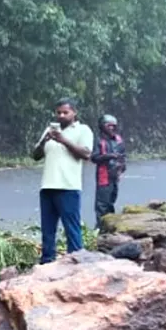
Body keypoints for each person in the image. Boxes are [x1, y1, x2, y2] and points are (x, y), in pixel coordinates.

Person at [31, 99, 94, 263]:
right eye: (58, 112)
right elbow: (36, 156)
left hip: (68, 187)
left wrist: (63, 140)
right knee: (47, 230)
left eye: (65, 112)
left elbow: (86, 154)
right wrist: (45, 140)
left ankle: (76, 261)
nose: (61, 115)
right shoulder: (49, 130)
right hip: (48, 186)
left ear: (74, 113)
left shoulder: (82, 130)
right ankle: (47, 261)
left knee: (71, 228)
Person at [91, 114, 127, 229]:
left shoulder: (118, 140)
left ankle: (110, 227)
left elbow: (123, 157)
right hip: (103, 176)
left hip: (114, 176)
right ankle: (100, 228)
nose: (111, 128)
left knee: (111, 202)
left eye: (113, 126)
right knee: (102, 204)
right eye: (109, 126)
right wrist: (109, 156)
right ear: (102, 126)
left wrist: (121, 169)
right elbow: (94, 158)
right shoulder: (99, 141)